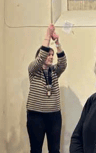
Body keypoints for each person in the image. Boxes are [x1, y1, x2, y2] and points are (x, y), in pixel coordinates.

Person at [26, 24, 67, 153]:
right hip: (35, 116)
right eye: (48, 55)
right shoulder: (33, 69)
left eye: (52, 55)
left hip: (54, 116)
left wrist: (57, 42)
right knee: (36, 149)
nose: (50, 57)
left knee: (55, 149)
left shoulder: (54, 71)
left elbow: (63, 63)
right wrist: (47, 36)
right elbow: (40, 59)